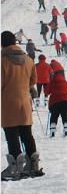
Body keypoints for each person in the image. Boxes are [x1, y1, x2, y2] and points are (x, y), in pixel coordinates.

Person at [1, 31, 43, 180]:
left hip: (8, 103)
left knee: (12, 135)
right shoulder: (29, 60)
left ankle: (15, 167)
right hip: (25, 102)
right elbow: (33, 81)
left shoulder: (2, 61)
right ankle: (33, 164)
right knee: (26, 134)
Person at [46, 60, 67, 137]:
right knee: (65, 114)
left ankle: (52, 129)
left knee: (54, 115)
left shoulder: (51, 82)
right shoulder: (65, 82)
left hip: (55, 101)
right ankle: (66, 128)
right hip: (65, 101)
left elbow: (47, 92)